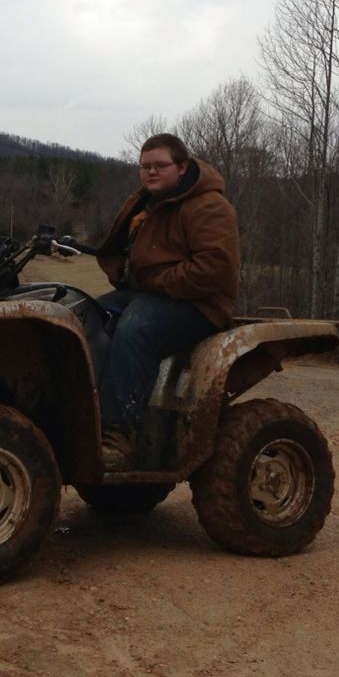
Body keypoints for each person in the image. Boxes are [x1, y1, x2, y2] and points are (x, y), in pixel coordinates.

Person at [94, 133, 241, 470]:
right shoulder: (147, 204)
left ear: (182, 166)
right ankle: (86, 415)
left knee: (135, 331)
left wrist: (154, 282)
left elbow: (215, 270)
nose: (151, 172)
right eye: (145, 166)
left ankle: (119, 436)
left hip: (200, 304)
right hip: (152, 294)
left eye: (160, 165)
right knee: (84, 316)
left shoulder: (208, 206)